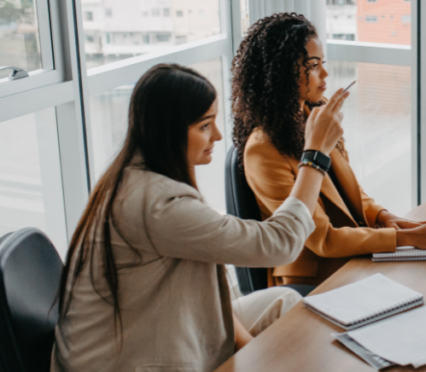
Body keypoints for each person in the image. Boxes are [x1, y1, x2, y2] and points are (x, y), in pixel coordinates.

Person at [53, 64, 348, 371]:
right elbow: (280, 243)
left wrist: (253, 352)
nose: (218, 135)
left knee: (283, 302)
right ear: (169, 131)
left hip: (160, 324)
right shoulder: (157, 205)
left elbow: (206, 289)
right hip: (127, 360)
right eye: (205, 126)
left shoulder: (140, 174)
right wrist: (314, 156)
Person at [231, 12, 426, 287]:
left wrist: (385, 217)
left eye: (322, 62)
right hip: (310, 281)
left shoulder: (314, 113)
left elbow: (349, 192)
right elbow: (323, 240)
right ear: (279, 74)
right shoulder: (262, 150)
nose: (324, 73)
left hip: (348, 257)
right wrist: (404, 238)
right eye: (312, 65)